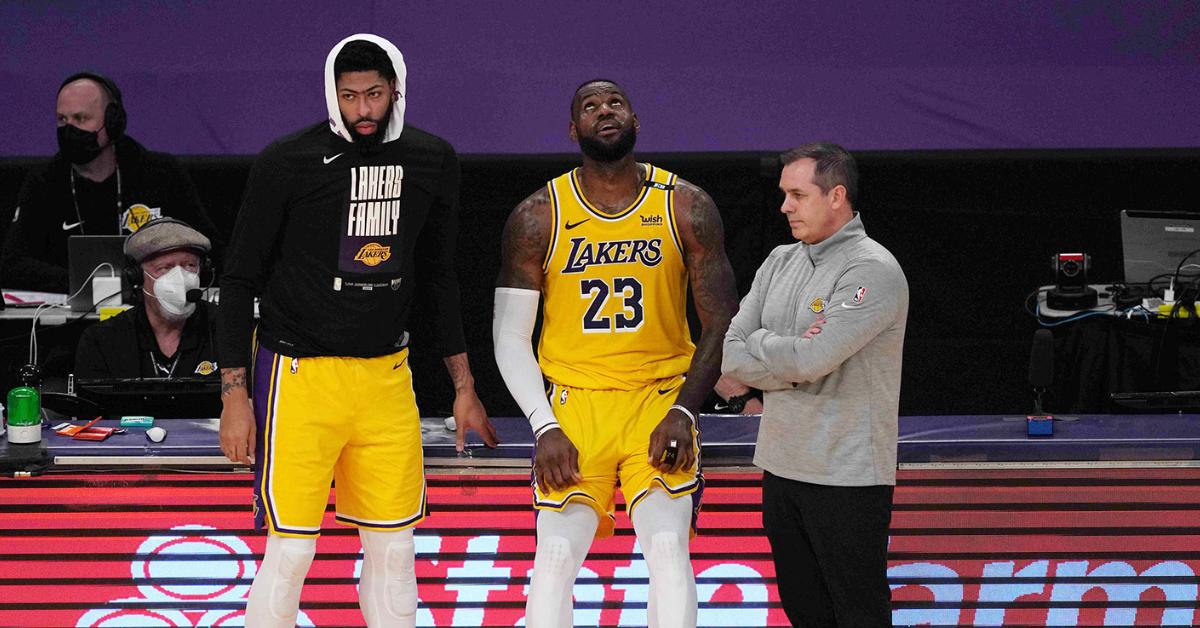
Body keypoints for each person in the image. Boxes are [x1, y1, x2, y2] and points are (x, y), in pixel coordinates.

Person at [216, 34, 497, 627]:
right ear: (330, 94)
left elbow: (441, 277)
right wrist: (235, 395)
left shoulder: (432, 158)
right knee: (291, 549)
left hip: (387, 379)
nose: (363, 110)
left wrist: (464, 385)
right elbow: (238, 278)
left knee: (395, 549)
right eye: (348, 97)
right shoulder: (287, 160)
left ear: (396, 89)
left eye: (374, 94)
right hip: (297, 378)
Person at [493, 79, 739, 628]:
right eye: (590, 106)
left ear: (635, 120)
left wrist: (684, 410)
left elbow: (723, 318)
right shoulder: (538, 215)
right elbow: (509, 338)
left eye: (615, 103)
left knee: (669, 551)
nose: (604, 111)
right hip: (574, 407)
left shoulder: (685, 206)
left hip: (657, 400)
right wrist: (542, 426)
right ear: (572, 128)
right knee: (554, 561)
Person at [721, 142, 908, 627]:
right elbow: (730, 353)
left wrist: (763, 346)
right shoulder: (780, 260)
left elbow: (813, 358)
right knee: (805, 613)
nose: (784, 206)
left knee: (858, 613)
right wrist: (785, 357)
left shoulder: (872, 269)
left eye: (797, 195)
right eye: (784, 194)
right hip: (782, 467)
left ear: (836, 196)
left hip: (846, 476)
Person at [1, 72, 221, 292]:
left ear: (113, 121)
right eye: (62, 119)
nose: (69, 130)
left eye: (81, 119)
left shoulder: (160, 174)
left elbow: (211, 250)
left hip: (150, 315)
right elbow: (12, 263)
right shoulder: (44, 181)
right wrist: (86, 285)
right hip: (67, 317)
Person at [74, 217, 217, 378]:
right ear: (137, 277)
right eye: (164, 268)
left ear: (203, 271)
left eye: (190, 265)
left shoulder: (226, 329)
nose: (180, 278)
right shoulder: (103, 341)